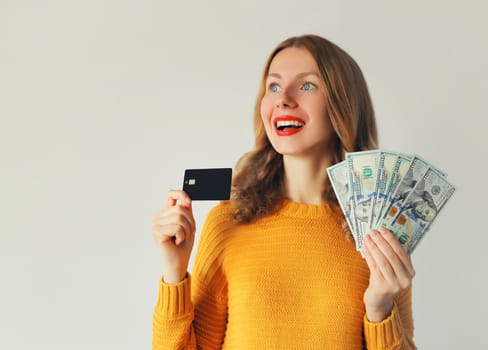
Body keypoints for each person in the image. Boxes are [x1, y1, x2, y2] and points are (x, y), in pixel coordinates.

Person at [151, 34, 417, 350]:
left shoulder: (378, 233)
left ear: (342, 104)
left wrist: (379, 309)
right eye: (274, 86)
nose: (284, 99)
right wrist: (174, 272)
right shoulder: (228, 222)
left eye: (306, 86)